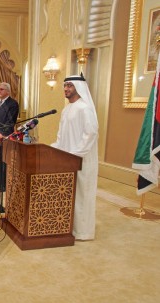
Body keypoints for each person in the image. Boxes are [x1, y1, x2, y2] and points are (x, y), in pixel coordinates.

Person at [51, 74, 99, 240]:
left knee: (81, 196)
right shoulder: (67, 109)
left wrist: (75, 155)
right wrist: (53, 150)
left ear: (78, 88)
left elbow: (91, 133)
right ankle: (68, 227)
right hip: (66, 160)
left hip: (81, 160)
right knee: (68, 196)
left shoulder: (84, 108)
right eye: (65, 85)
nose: (66, 89)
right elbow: (61, 136)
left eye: (70, 86)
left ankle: (83, 232)